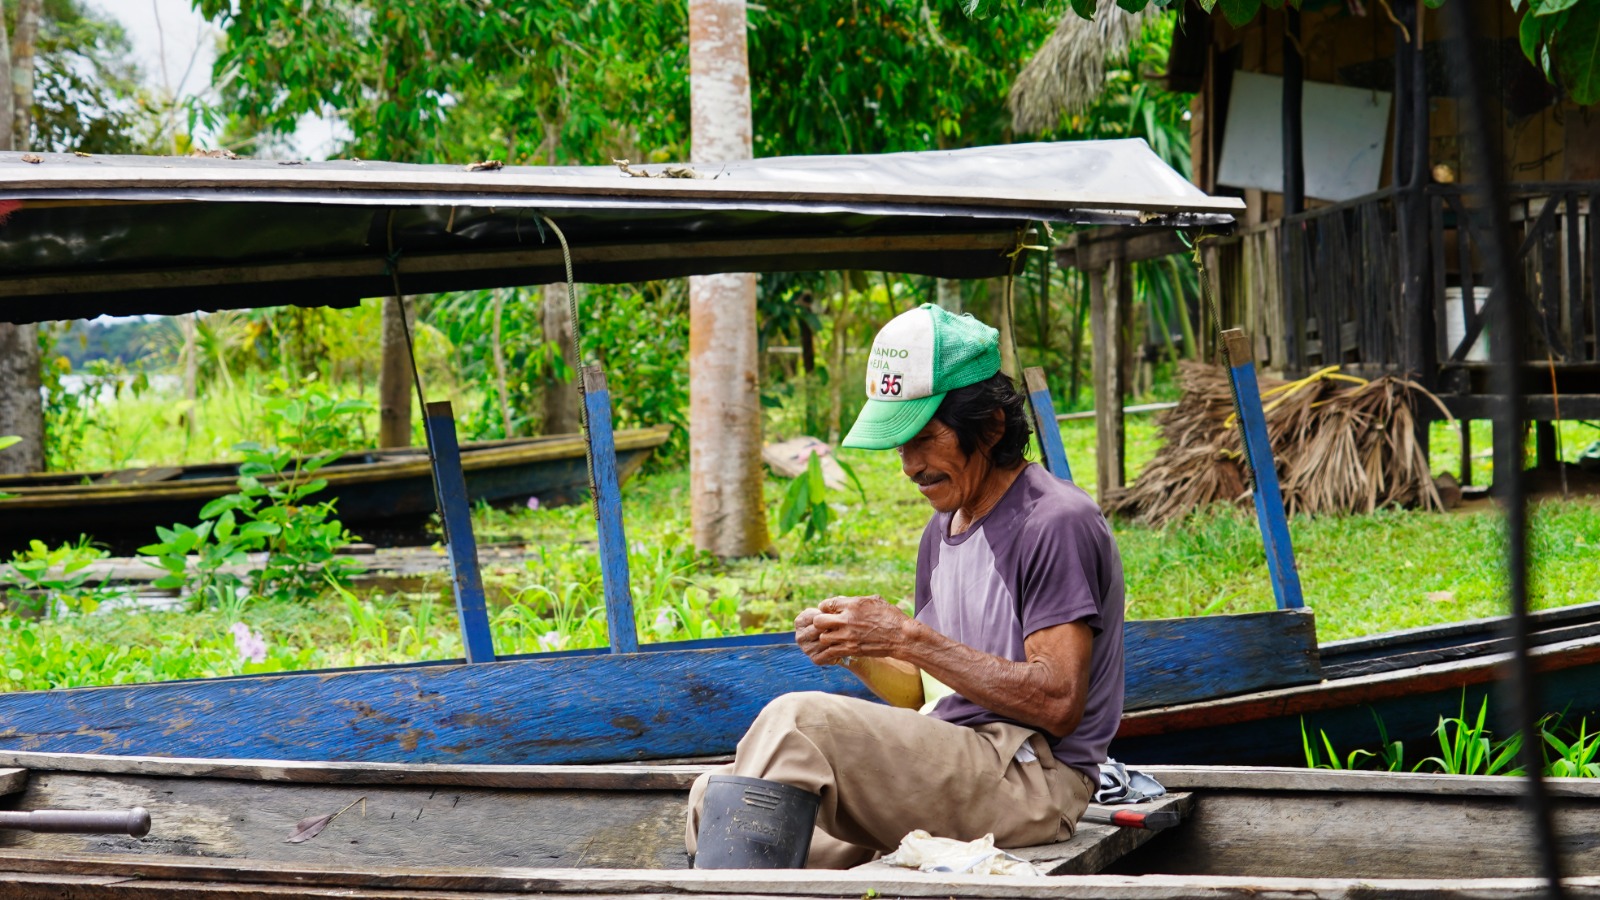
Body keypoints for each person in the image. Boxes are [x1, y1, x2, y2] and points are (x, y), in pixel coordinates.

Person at [686, 303, 1125, 869]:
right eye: (900, 444)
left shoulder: (1054, 521)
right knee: (713, 799)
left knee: (797, 725)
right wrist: (858, 649)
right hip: (959, 760)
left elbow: (1058, 703)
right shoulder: (942, 530)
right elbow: (925, 693)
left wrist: (905, 636)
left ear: (992, 425)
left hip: (1032, 782)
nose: (910, 465)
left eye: (924, 437)